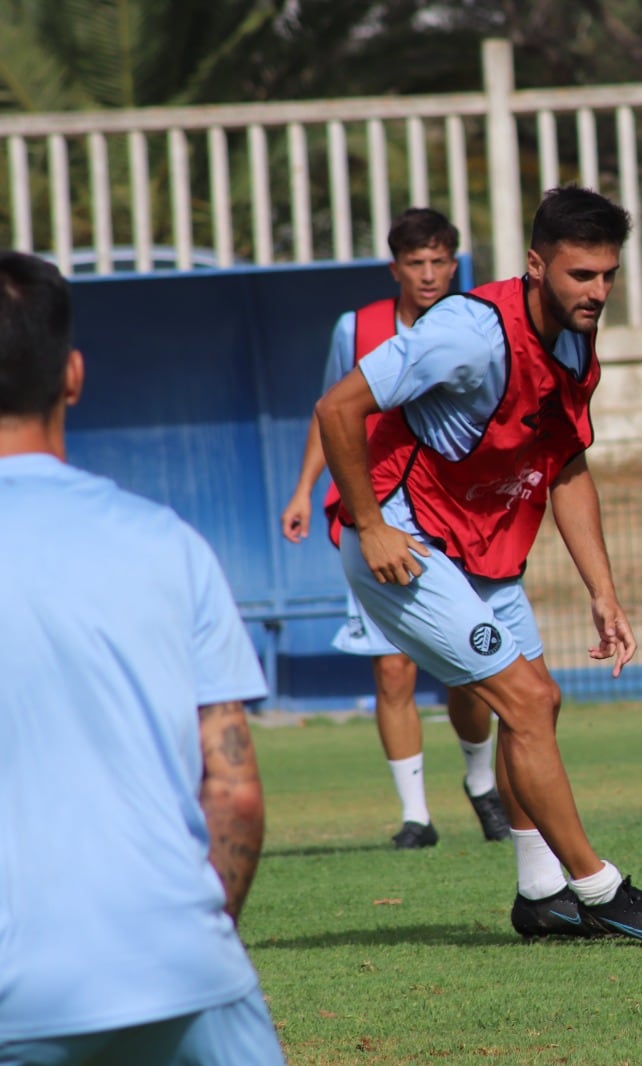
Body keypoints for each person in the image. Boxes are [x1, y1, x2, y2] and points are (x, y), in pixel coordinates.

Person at [315, 186, 642, 944]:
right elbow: (337, 408)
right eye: (580, 275)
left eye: (607, 275)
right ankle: (600, 889)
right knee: (524, 701)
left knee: (541, 702)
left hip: (477, 553)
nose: (597, 292)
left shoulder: (575, 339)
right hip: (405, 542)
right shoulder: (467, 332)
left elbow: (566, 468)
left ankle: (539, 895)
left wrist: (604, 592)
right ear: (536, 265)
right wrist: (368, 526)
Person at [0, 252, 283, 1063]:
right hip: (182, 966)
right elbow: (234, 793)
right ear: (74, 375)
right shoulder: (169, 544)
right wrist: (186, 942)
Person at [280, 207, 510, 850]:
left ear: (456, 264)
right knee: (391, 671)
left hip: (456, 514)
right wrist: (303, 490)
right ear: (395, 267)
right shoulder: (356, 329)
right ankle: (415, 815)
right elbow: (331, 410)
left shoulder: (476, 326)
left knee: (471, 668)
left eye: (441, 261)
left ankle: (481, 783)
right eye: (417, 262)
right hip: (375, 514)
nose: (430, 274)